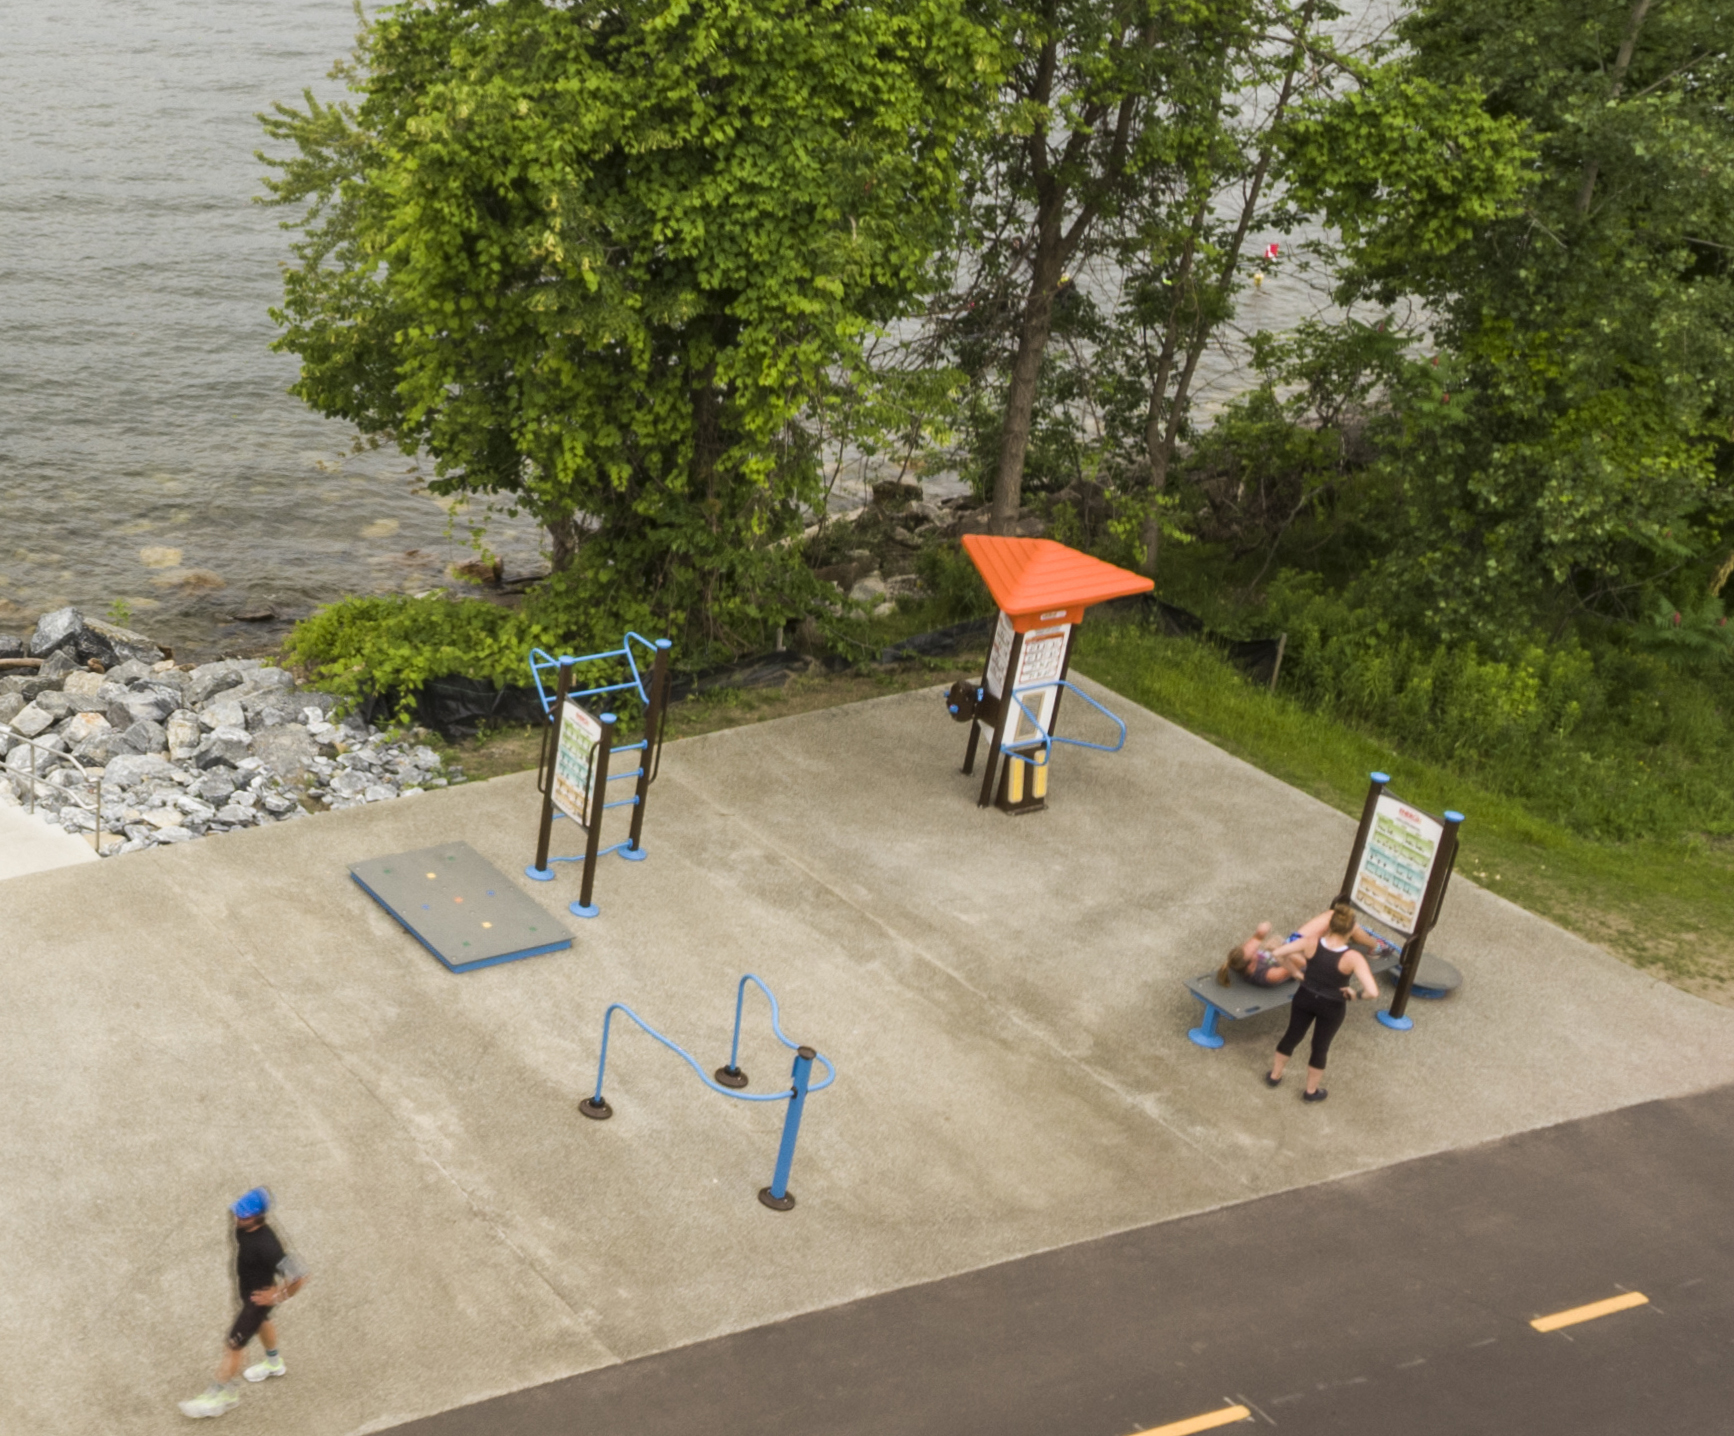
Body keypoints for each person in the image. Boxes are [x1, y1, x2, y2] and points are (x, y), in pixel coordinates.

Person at [179, 1188, 306, 1419]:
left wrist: (277, 1296)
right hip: (249, 1292)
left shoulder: (268, 1245)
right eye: (238, 1213)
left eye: (244, 1215)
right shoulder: (242, 1226)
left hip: (256, 1301)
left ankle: (222, 1395)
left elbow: (299, 1276)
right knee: (263, 1322)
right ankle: (274, 1363)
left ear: (258, 1217)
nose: (238, 1218)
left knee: (234, 1345)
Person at [1264, 901, 1380, 1103]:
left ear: (1330, 925)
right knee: (1320, 1046)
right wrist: (1355, 995)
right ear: (1351, 930)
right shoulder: (1352, 956)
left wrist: (1297, 974)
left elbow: (1277, 953)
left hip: (1305, 996)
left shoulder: (1311, 942)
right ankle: (1311, 1091)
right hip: (1333, 1004)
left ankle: (1275, 1076)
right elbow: (1372, 991)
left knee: (1292, 1035)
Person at [1217, 922, 1291, 987]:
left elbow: (1257, 938)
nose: (1254, 949)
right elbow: (1293, 968)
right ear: (1250, 966)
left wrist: (1262, 931)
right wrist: (1282, 949)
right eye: (1253, 953)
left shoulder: (1244, 954)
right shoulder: (1267, 975)